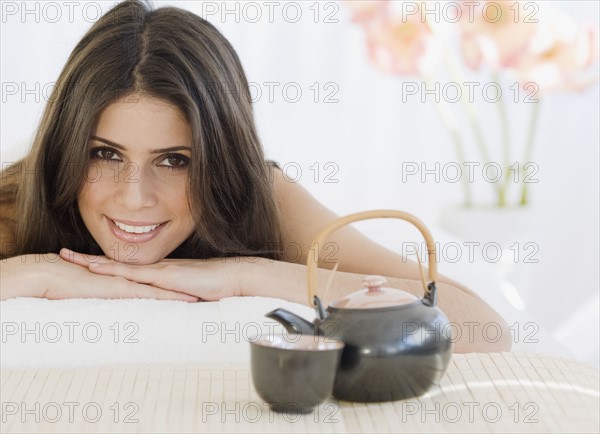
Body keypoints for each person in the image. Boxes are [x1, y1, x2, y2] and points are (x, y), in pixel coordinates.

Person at [0, 0, 511, 353]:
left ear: (221, 161)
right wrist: (38, 274)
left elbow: (480, 326)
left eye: (175, 160)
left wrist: (246, 275)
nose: (135, 198)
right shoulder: (20, 199)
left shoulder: (261, 199)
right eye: (105, 155)